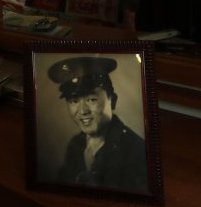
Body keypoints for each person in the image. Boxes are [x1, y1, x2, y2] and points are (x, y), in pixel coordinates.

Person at [49, 57, 148, 191]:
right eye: (74, 101)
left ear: (112, 100)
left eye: (91, 99)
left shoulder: (135, 151)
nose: (83, 111)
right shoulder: (75, 144)